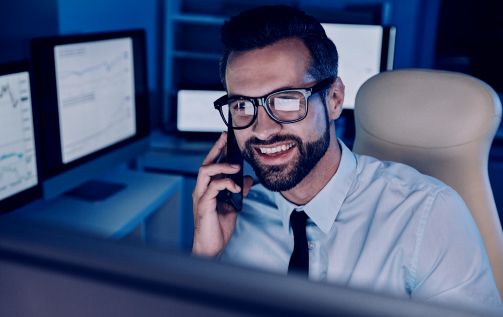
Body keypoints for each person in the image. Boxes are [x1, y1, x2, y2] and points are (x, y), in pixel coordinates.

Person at [191, 5, 503, 312]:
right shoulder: (232, 219)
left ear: (335, 99)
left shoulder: (429, 213)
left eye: (286, 100)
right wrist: (204, 260)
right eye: (242, 106)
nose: (263, 130)